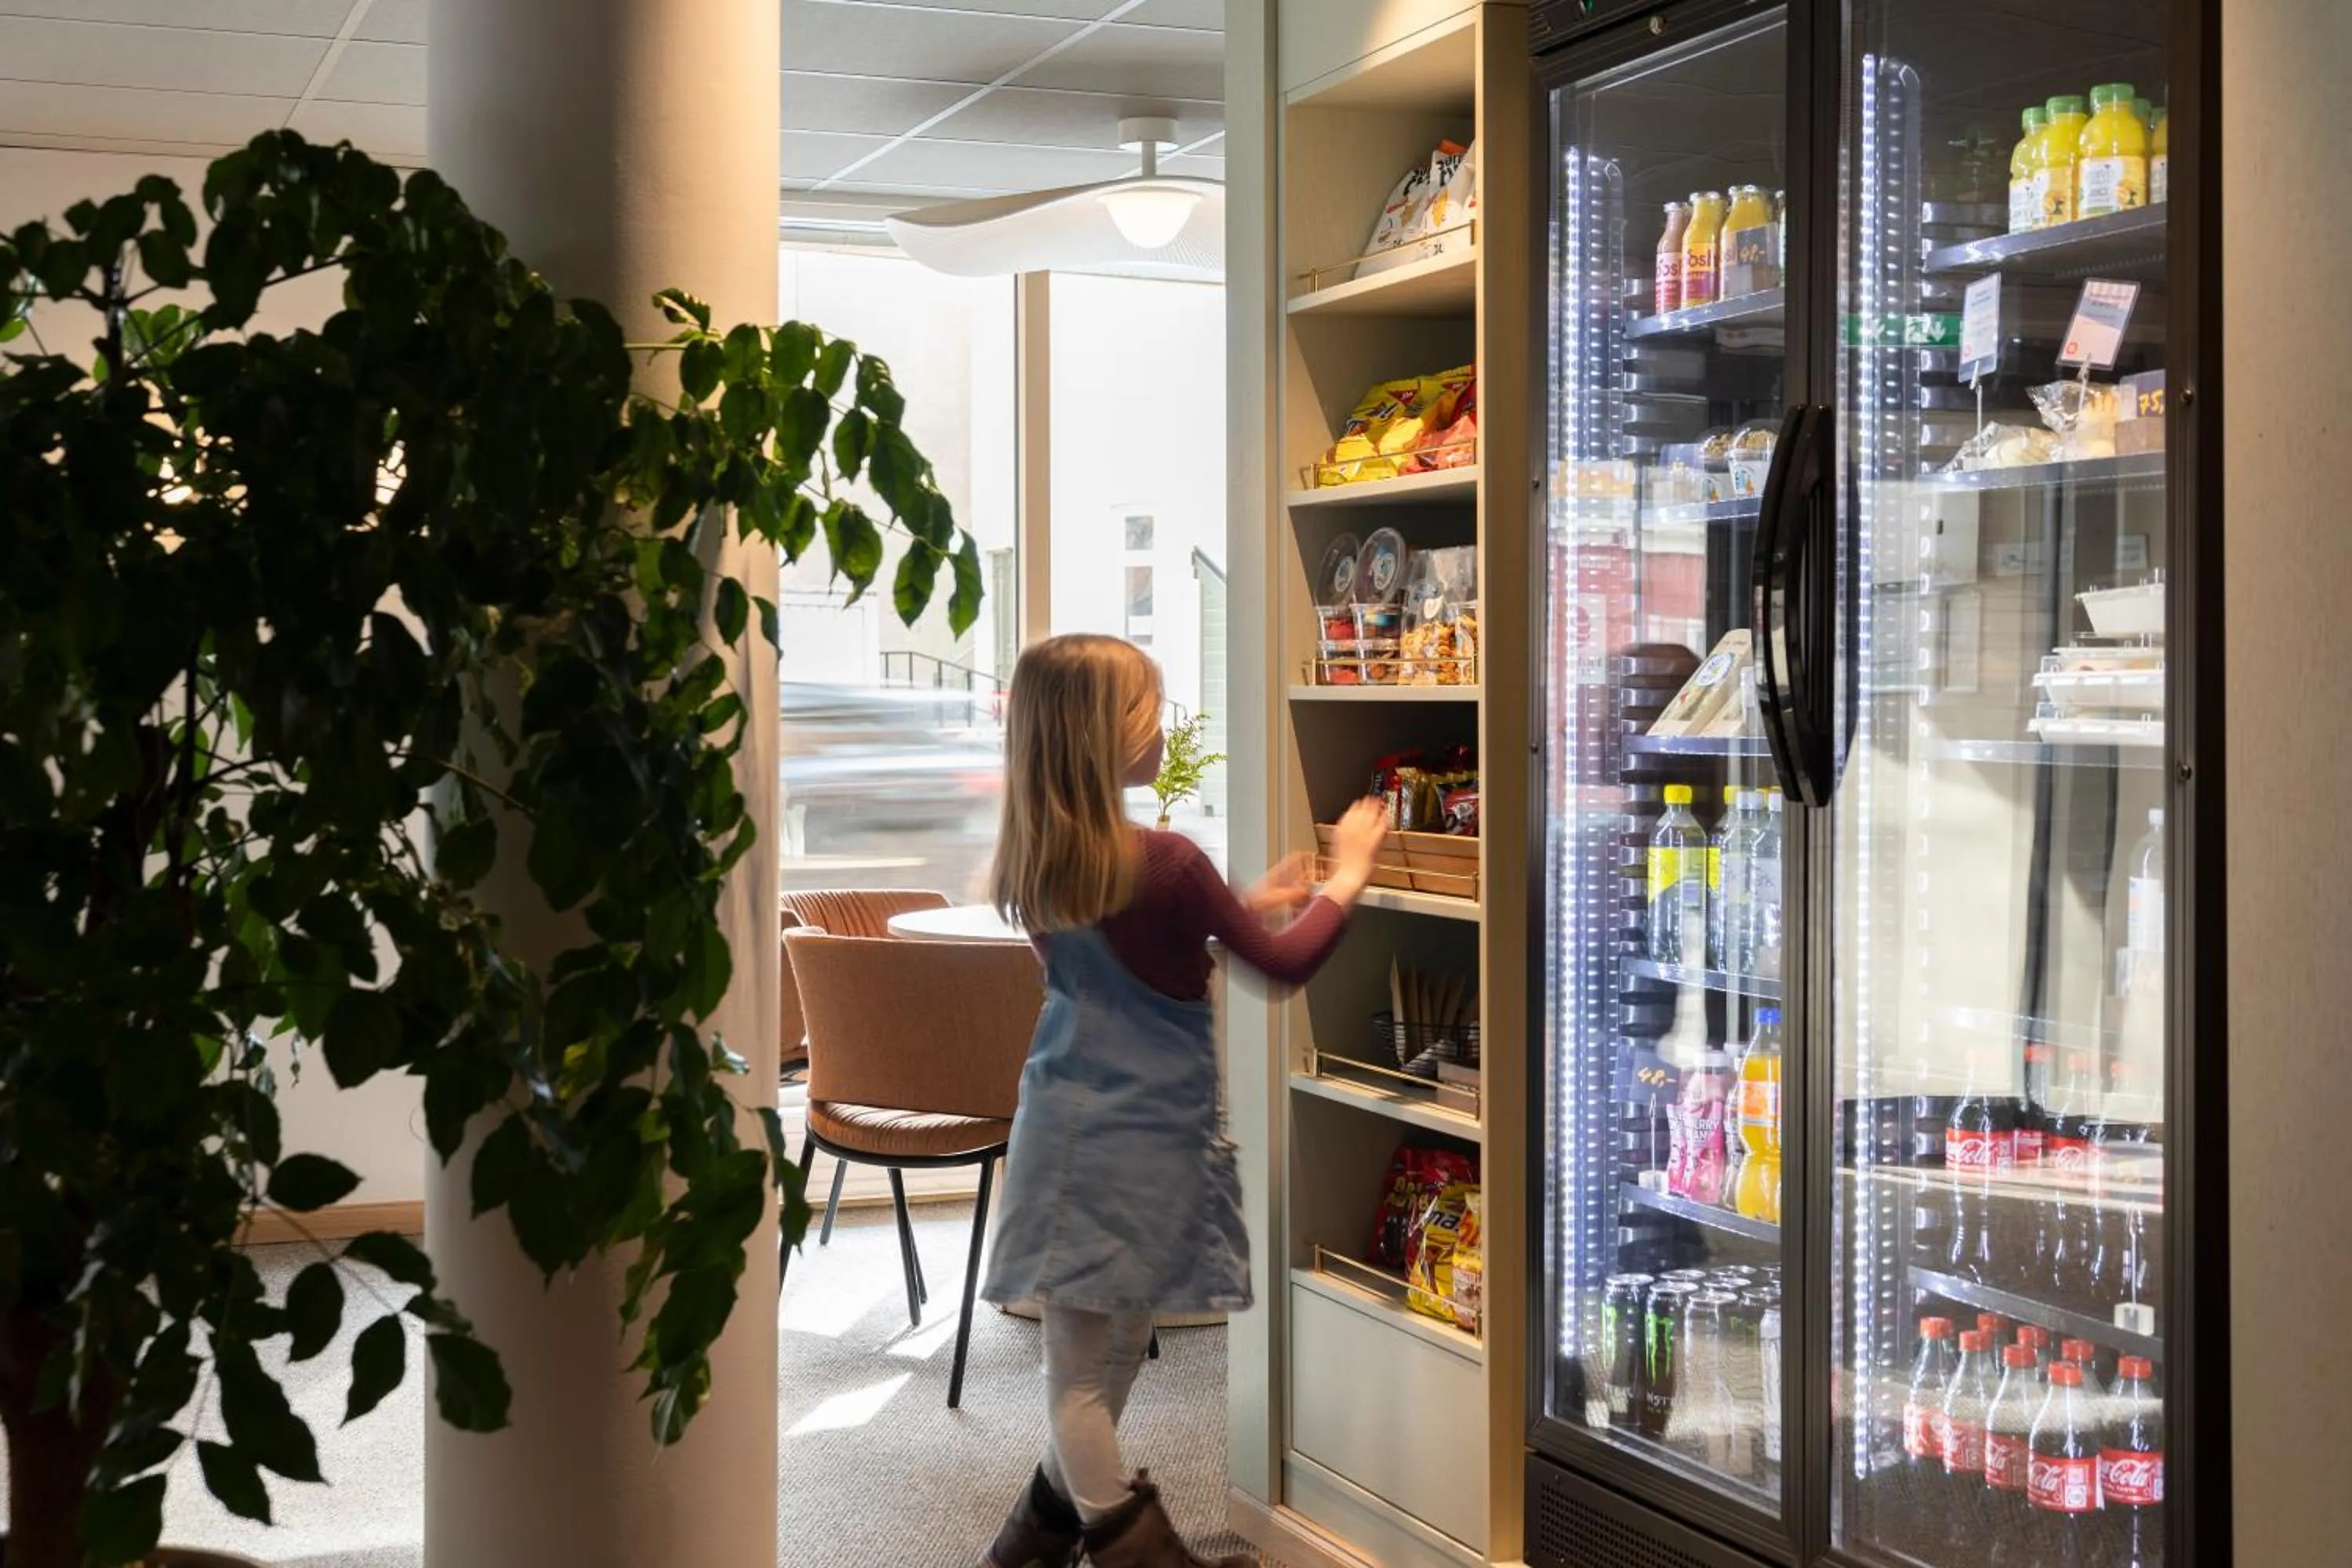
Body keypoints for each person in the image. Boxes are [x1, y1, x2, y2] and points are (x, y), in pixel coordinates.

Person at [978, 633, 1388, 1568]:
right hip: (1147, 1141)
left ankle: (1027, 1552)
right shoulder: (1166, 860)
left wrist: (1240, 902)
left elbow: (1143, 959)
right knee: (1087, 1372)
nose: (1166, 722)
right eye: (1150, 706)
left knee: (1108, 1348)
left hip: (1077, 1131)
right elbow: (1280, 968)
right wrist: (1349, 873)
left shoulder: (1043, 861)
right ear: (1101, 737)